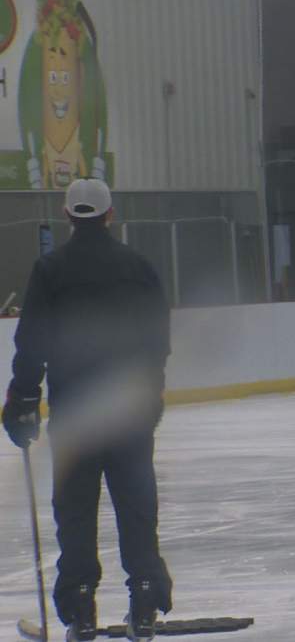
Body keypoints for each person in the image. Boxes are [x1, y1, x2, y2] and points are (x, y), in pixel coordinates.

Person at [2, 178, 173, 641]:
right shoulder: (138, 268)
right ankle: (144, 600)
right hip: (129, 413)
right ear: (110, 214)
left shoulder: (50, 270)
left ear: (67, 215)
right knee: (136, 506)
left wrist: (22, 400)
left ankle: (80, 608)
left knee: (75, 511)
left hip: (76, 416)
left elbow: (32, 341)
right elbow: (158, 339)